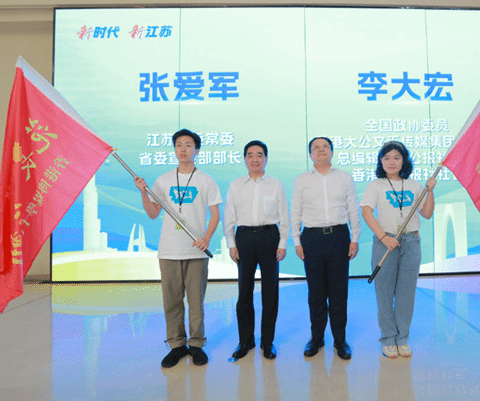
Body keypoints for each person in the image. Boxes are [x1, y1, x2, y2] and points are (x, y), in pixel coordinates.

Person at [133, 128, 222, 368]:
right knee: (171, 302)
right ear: (174, 149)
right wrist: (143, 192)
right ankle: (176, 345)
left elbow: (215, 214)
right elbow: (153, 213)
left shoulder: (206, 180)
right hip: (169, 251)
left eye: (188, 145)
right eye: (179, 145)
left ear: (197, 150)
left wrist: (206, 238)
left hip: (196, 252)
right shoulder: (163, 180)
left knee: (196, 302)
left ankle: (196, 345)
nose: (183, 149)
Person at [360, 141, 436, 359]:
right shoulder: (376, 185)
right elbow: (366, 212)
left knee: (406, 294)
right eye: (386, 158)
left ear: (404, 160)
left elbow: (426, 214)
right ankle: (388, 339)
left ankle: (402, 338)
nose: (391, 162)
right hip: (385, 242)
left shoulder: (413, 185)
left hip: (411, 242)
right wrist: (384, 237)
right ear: (380, 161)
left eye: (396, 157)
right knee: (384, 294)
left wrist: (430, 191)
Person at [291, 137, 361, 360]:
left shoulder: (344, 177)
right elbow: (295, 211)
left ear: (331, 151)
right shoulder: (302, 180)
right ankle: (317, 338)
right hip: (311, 238)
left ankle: (340, 340)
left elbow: (353, 209)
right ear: (310, 154)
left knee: (339, 292)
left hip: (339, 237)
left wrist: (355, 238)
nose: (321, 151)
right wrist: (297, 241)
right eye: (316, 148)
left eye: (325, 147)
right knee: (316, 292)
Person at [223, 140, 289, 361]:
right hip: (244, 237)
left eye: (259, 154)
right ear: (245, 159)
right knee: (244, 292)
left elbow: (284, 216)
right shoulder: (236, 185)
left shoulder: (276, 184)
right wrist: (231, 243)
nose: (255, 159)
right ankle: (245, 341)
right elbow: (229, 216)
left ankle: (267, 342)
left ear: (266, 159)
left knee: (271, 292)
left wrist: (282, 243)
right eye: (250, 155)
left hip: (270, 236)